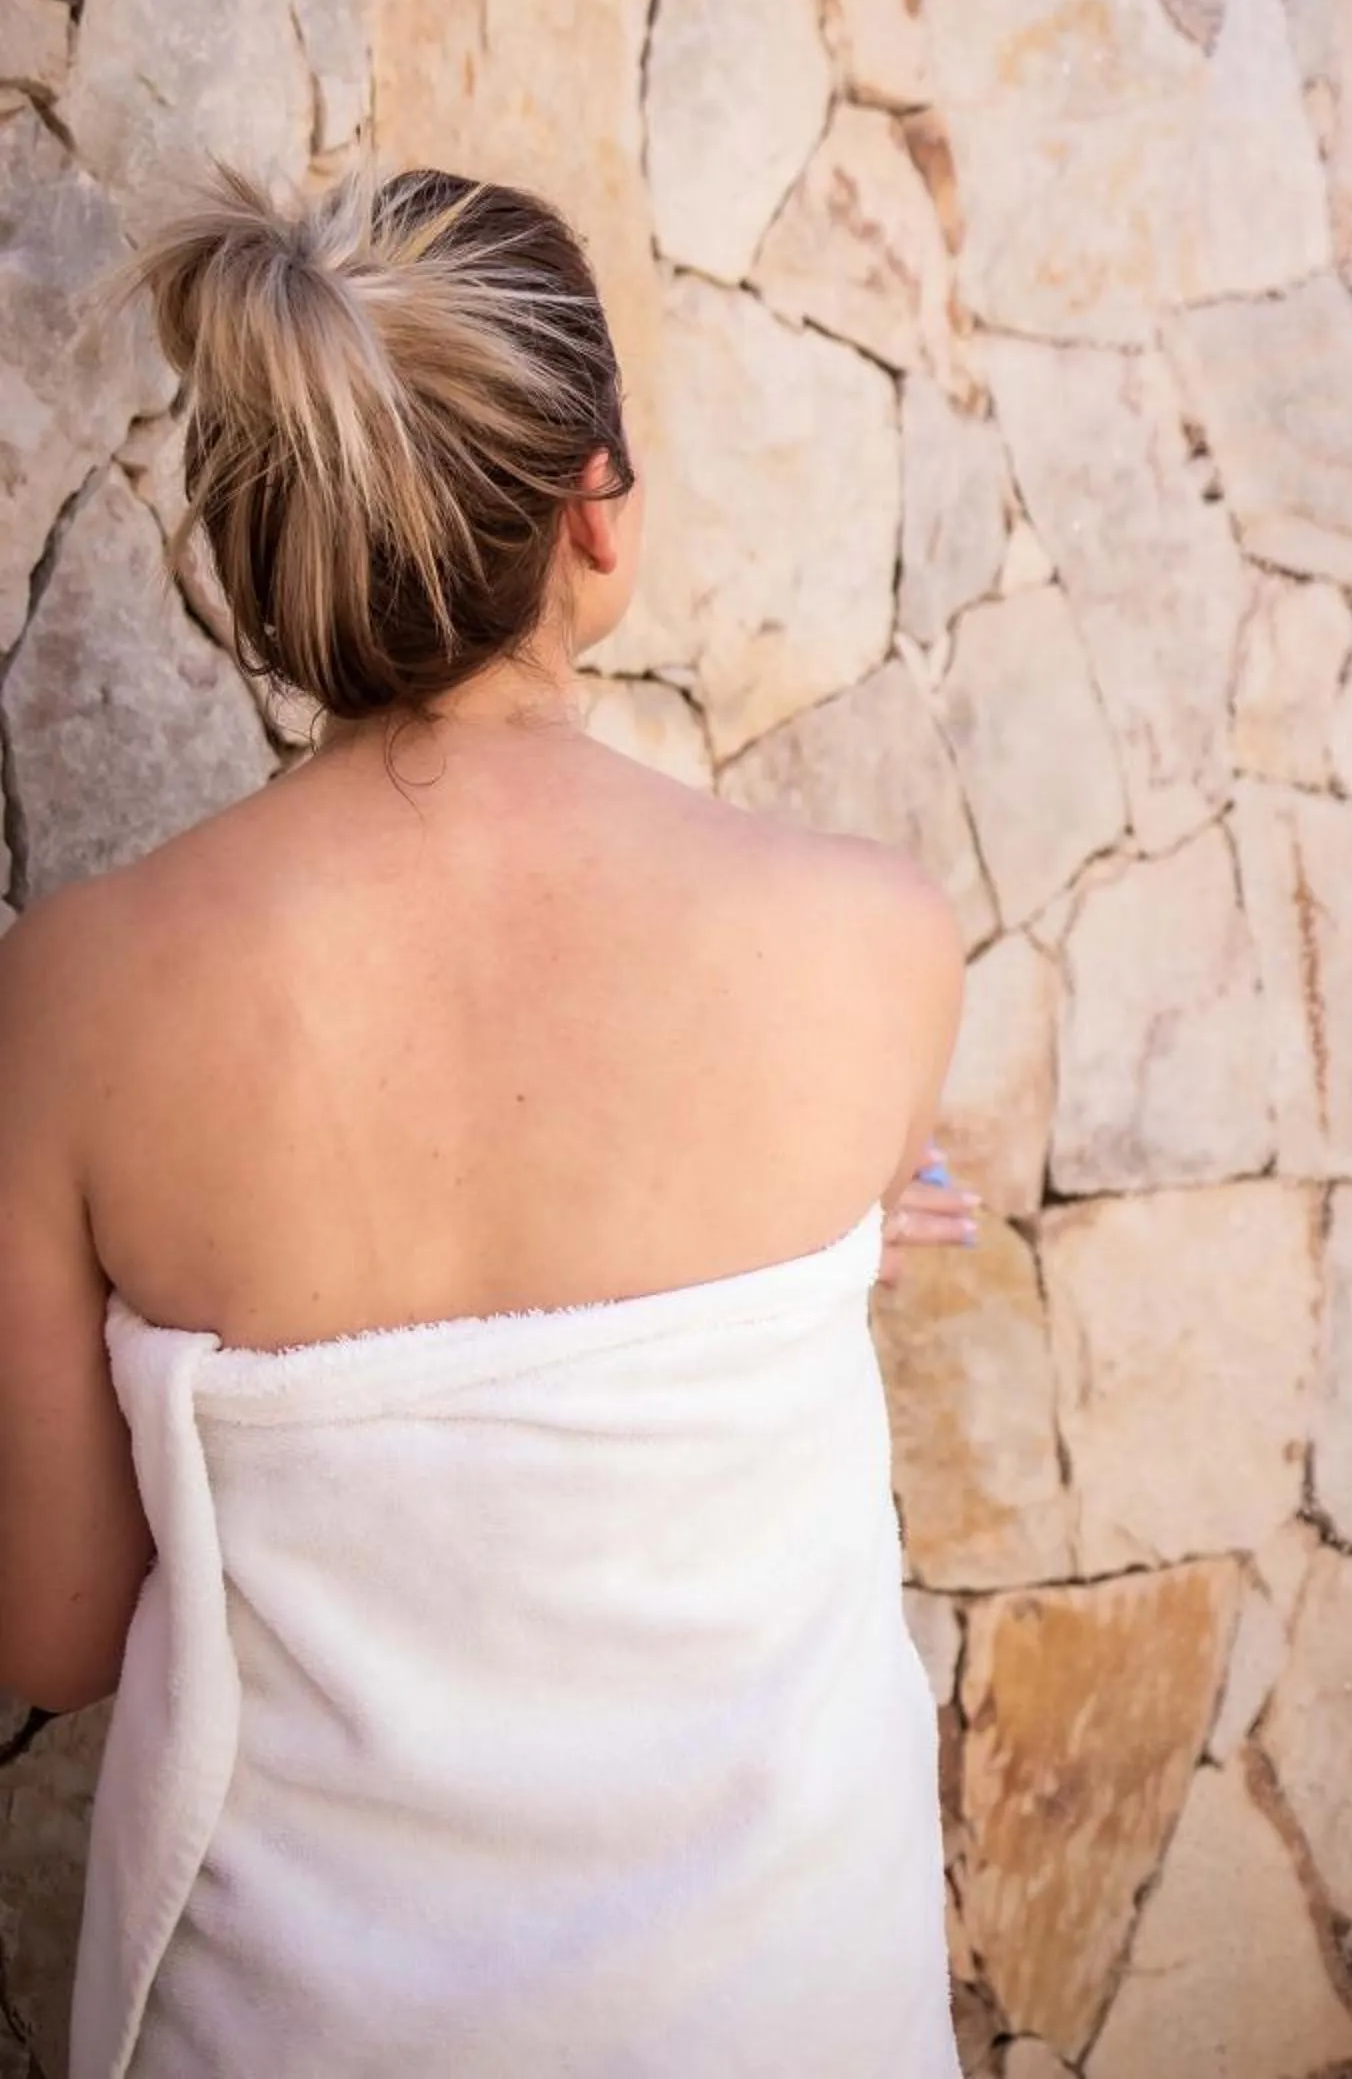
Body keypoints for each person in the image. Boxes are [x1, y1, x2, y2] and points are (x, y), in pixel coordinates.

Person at [0, 162, 975, 2079]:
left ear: (263, 571)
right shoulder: (877, 945)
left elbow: (52, 1633)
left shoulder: (71, 1001)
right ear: (592, 517)